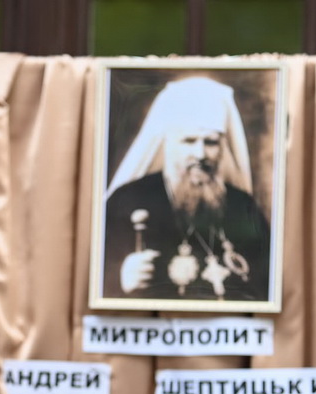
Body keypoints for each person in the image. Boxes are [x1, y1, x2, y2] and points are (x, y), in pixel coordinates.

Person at [101, 76, 272, 303]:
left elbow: (266, 286)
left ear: (222, 147)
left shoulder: (242, 206)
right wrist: (121, 279)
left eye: (210, 142)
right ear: (168, 144)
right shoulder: (127, 201)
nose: (200, 154)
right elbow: (94, 284)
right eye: (189, 141)